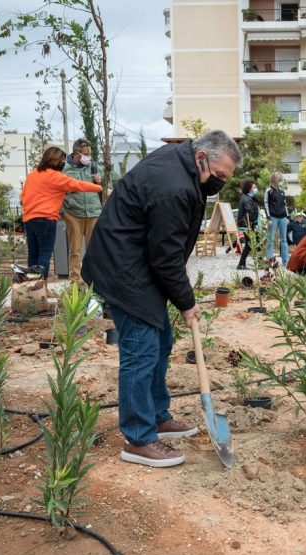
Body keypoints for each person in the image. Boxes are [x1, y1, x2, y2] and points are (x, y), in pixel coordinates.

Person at [82, 130, 241, 468]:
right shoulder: (174, 185)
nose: (220, 183)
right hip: (123, 269)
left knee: (161, 340)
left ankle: (156, 415)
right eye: (219, 175)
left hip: (139, 261)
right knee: (140, 350)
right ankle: (138, 438)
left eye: (226, 178)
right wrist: (186, 302)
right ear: (201, 158)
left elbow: (166, 247)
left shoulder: (184, 165)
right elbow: (165, 257)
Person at [21, 146, 102, 281]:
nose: (63, 163)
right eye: (62, 161)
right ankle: (41, 284)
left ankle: (32, 284)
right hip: (46, 219)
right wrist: (98, 187)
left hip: (29, 220)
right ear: (54, 161)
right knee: (45, 254)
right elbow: (78, 185)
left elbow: (23, 196)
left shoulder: (32, 175)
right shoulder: (56, 177)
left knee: (33, 254)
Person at [62, 137, 103, 284]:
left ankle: (93, 280)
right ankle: (75, 281)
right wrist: (63, 212)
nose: (88, 157)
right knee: (75, 250)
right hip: (74, 214)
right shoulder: (64, 169)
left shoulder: (95, 167)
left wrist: (101, 182)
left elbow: (107, 188)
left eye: (89, 153)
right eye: (85, 154)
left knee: (94, 250)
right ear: (76, 154)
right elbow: (58, 190)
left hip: (94, 213)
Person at [264, 171, 289, 265]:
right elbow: (266, 204)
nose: (281, 182)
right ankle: (269, 260)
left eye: (281, 180)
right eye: (279, 180)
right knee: (270, 239)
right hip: (273, 217)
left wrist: (287, 217)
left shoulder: (282, 192)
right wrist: (268, 218)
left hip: (283, 217)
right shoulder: (268, 191)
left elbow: (284, 205)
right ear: (275, 180)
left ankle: (286, 261)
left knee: (284, 240)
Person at [236, 179, 259, 270]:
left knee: (251, 244)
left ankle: (242, 264)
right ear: (249, 189)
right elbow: (250, 214)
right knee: (251, 244)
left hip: (247, 224)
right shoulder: (247, 199)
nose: (255, 189)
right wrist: (255, 223)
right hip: (247, 225)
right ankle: (241, 264)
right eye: (254, 187)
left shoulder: (248, 198)